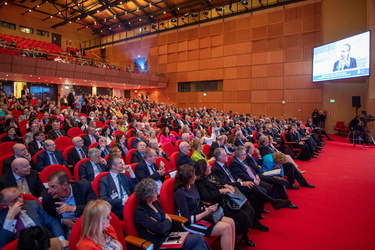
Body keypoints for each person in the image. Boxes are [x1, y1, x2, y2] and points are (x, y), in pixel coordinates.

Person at [195, 160, 268, 248]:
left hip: (226, 199)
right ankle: (236, 244)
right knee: (242, 216)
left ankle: (244, 236)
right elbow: (207, 197)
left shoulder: (211, 175)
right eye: (208, 167)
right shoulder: (199, 182)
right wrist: (221, 190)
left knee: (248, 207)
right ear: (203, 170)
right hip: (217, 205)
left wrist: (227, 186)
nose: (210, 167)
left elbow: (221, 183)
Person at [212, 148, 291, 219]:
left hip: (237, 184)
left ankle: (257, 216)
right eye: (225, 155)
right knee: (251, 185)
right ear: (220, 158)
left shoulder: (223, 164)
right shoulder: (216, 168)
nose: (228, 156)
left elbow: (232, 175)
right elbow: (225, 183)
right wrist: (242, 183)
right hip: (232, 190)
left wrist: (240, 180)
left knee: (254, 195)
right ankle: (273, 201)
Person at [134, 178, 210, 250]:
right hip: (159, 243)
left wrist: (164, 223)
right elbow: (160, 229)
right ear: (147, 197)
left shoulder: (155, 203)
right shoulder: (140, 212)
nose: (157, 193)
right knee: (197, 239)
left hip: (169, 235)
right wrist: (167, 220)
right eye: (154, 192)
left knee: (198, 239)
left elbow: (162, 225)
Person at [174, 165, 236, 250]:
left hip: (201, 215)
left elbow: (198, 203)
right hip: (191, 223)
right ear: (186, 178)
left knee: (231, 221)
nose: (195, 177)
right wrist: (206, 212)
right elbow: (187, 219)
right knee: (226, 228)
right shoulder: (180, 193)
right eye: (193, 176)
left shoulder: (192, 186)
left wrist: (207, 209)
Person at [0, 187, 68, 248]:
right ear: (4, 205)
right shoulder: (2, 219)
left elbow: (52, 221)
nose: (20, 200)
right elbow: (2, 244)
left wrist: (61, 239)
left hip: (45, 242)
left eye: (20, 196)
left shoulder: (33, 204)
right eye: (14, 200)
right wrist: (9, 218)